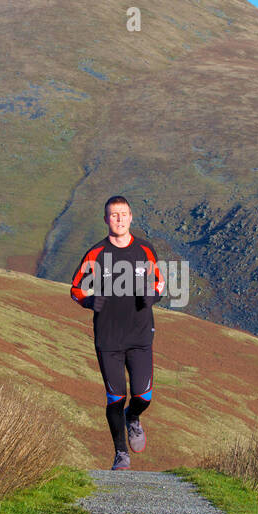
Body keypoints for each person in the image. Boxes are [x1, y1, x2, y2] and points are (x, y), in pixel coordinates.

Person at [70, 196, 165, 470]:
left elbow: (158, 283)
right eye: (114, 215)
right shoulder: (96, 254)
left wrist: (152, 297)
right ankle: (120, 453)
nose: (119, 219)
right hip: (108, 338)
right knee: (115, 397)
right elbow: (76, 289)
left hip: (140, 336)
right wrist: (89, 301)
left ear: (131, 217)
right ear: (106, 220)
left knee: (142, 396)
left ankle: (132, 418)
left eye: (123, 214)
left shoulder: (144, 250)